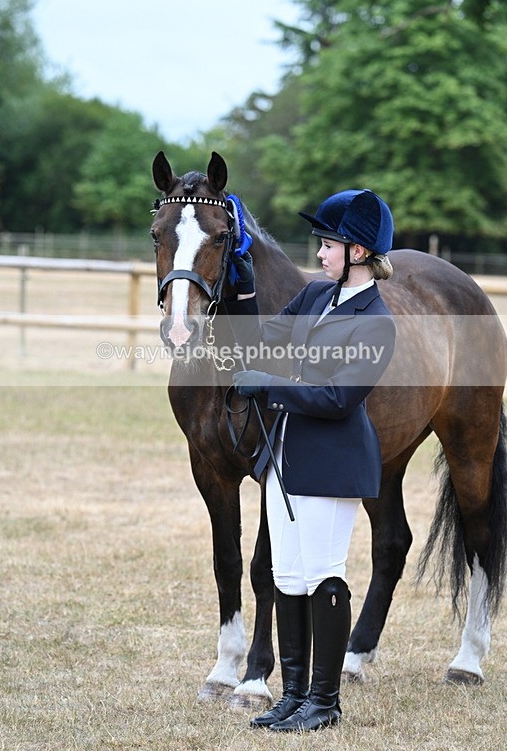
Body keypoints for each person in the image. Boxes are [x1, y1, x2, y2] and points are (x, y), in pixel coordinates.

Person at [227, 188, 396, 732]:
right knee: (288, 575)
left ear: (361, 253)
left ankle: (325, 701)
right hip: (284, 455)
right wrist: (243, 279)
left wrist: (272, 386)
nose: (320, 254)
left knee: (324, 576)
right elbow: (263, 341)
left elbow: (338, 399)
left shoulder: (376, 322)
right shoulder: (317, 299)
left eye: (329, 245)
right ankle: (294, 695)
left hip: (332, 462)